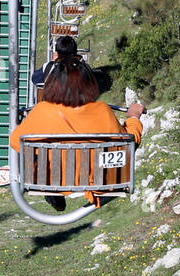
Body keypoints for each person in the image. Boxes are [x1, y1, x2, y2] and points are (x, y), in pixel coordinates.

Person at [10, 55, 145, 211]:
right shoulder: (102, 111)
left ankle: (55, 186)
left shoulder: (43, 111)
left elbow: (15, 141)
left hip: (50, 180)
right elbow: (128, 144)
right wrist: (134, 117)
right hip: (97, 182)